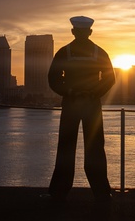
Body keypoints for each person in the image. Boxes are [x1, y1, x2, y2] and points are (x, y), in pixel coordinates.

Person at [47, 16, 116, 202]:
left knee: (66, 148)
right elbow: (110, 79)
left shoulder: (64, 52)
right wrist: (94, 93)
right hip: (92, 106)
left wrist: (69, 91)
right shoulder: (100, 52)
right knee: (94, 148)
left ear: (73, 32)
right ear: (90, 32)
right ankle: (101, 192)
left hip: (70, 104)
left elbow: (53, 78)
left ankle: (58, 192)